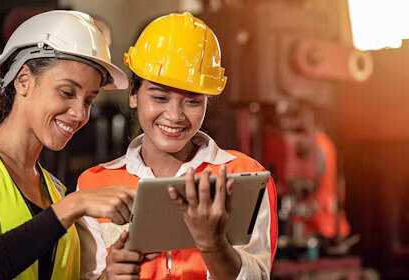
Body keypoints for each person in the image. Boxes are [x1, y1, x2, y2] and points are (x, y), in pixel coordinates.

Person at [0, 11, 137, 280]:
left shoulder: (55, 192)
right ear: (23, 81)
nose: (80, 114)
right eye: (67, 92)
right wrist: (73, 205)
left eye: (88, 100)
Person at [77, 12, 278, 279]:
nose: (175, 115)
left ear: (207, 102)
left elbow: (258, 276)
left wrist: (213, 245)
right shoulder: (94, 184)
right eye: (159, 97)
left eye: (192, 101)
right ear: (133, 94)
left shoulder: (243, 176)